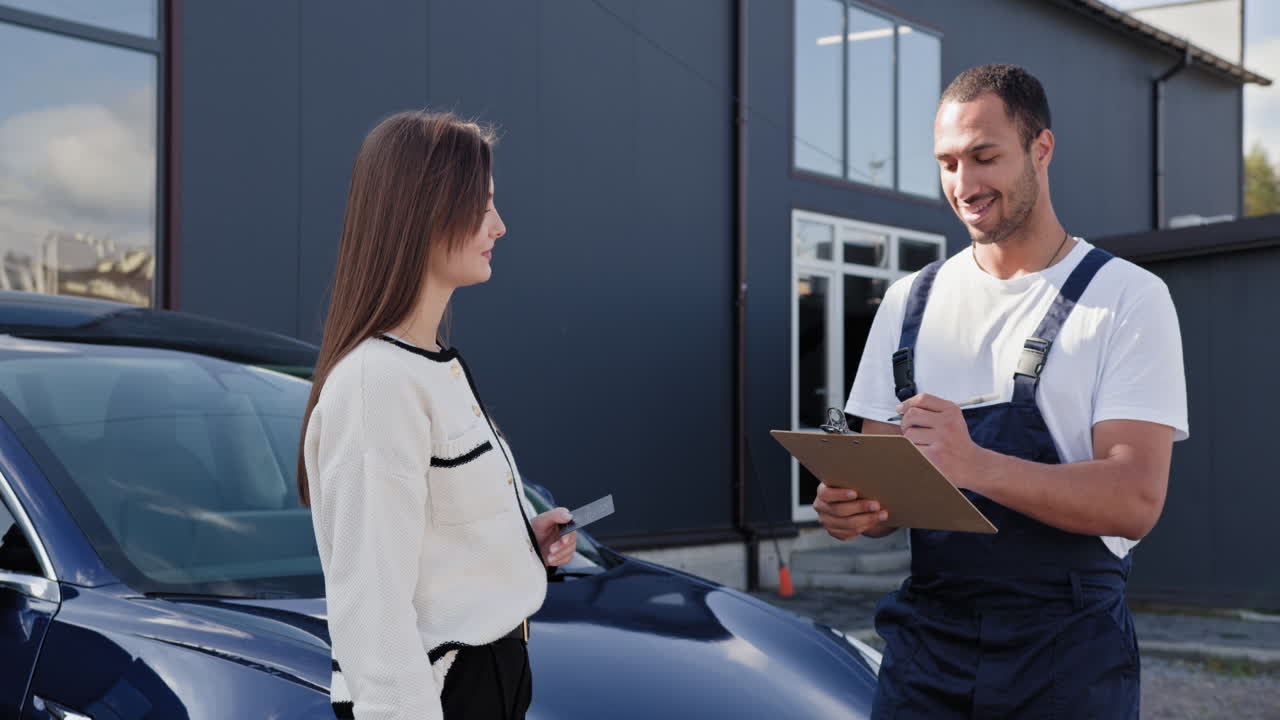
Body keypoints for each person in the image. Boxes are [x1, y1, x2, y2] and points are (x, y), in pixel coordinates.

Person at [815, 64, 1188, 719]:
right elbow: (887, 495)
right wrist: (858, 511)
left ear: (1041, 149)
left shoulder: (1127, 298)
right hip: (926, 653)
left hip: (1066, 657)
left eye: (985, 158)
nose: (964, 185)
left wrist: (974, 464)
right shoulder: (908, 302)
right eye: (948, 163)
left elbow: (1135, 499)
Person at [297, 110, 578, 720]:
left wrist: (515, 545)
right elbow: (373, 606)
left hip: (491, 677)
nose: (499, 226)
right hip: (444, 691)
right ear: (423, 212)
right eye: (482, 205)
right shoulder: (376, 383)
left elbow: (429, 546)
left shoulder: (425, 366)